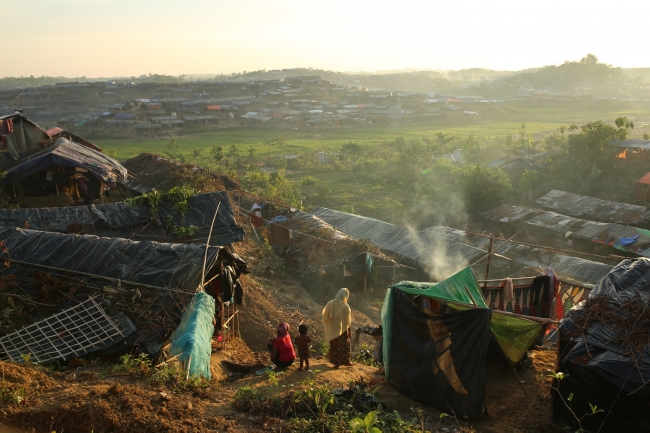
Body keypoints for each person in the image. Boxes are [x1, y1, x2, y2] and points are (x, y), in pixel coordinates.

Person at [322, 288, 353, 368]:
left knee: (334, 346)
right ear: (346, 296)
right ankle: (346, 361)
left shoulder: (331, 303)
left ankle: (336, 363)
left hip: (332, 329)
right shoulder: (345, 306)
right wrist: (349, 331)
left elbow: (326, 316)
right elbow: (347, 322)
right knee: (344, 345)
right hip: (341, 330)